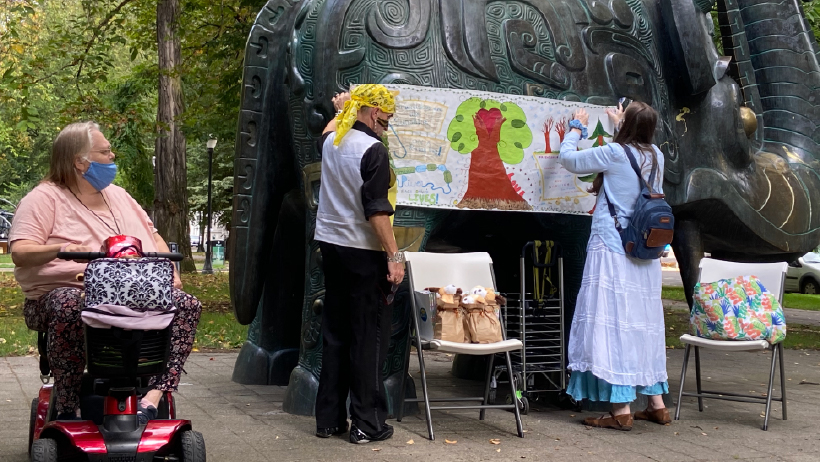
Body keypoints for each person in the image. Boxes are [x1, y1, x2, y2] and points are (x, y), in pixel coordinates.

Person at [9, 122, 202, 423]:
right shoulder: (43, 199)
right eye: (105, 151)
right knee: (69, 303)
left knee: (188, 305)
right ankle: (68, 407)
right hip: (66, 294)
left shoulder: (119, 196)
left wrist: (170, 271)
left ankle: (153, 397)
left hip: (134, 292)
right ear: (80, 161)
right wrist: (63, 247)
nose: (113, 156)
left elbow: (154, 235)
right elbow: (20, 252)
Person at [559, 102, 670, 431]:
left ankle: (621, 410)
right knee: (642, 323)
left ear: (628, 126)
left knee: (613, 322)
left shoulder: (615, 152)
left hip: (613, 248)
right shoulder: (656, 156)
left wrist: (576, 128)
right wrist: (622, 124)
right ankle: (657, 405)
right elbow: (630, 160)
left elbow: (570, 160)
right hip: (645, 251)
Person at [313, 84, 405, 444]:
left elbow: (328, 130)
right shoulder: (373, 151)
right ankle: (367, 423)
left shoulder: (334, 140)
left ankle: (328, 420)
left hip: (331, 247)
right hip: (364, 253)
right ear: (371, 111)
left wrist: (342, 108)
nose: (388, 123)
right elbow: (377, 212)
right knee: (368, 337)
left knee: (335, 332)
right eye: (386, 116)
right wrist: (394, 255)